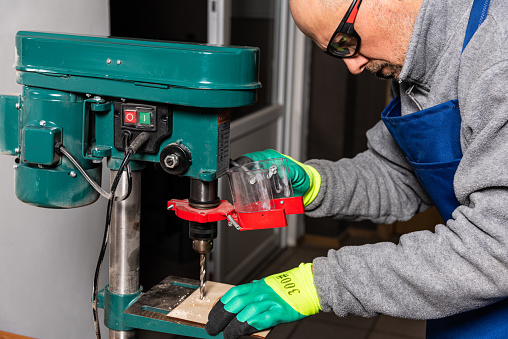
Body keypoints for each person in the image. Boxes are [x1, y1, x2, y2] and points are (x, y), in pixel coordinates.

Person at [205, 0, 508, 338]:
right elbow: (399, 176)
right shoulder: (409, 65)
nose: (352, 65)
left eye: (344, 41)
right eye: (336, 52)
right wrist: (315, 183)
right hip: (464, 301)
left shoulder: (498, 52)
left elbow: (497, 246)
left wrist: (320, 284)